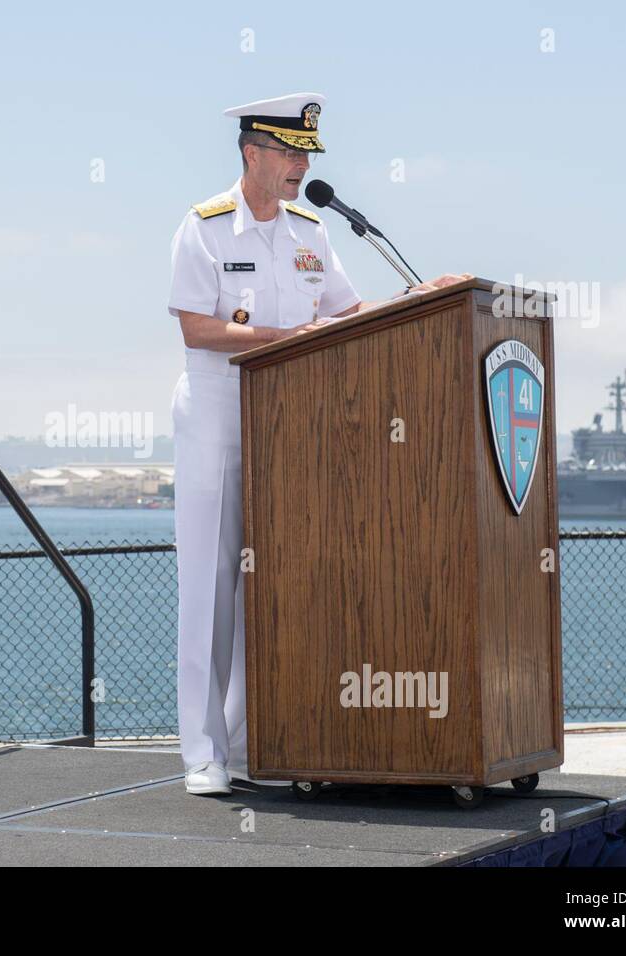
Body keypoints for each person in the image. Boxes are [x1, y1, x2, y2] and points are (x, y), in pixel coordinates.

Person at [168, 93, 470, 795]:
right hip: (218, 412)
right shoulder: (205, 228)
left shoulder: (311, 230)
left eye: (306, 155)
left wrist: (423, 295)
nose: (301, 166)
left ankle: (250, 743)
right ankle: (202, 755)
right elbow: (194, 328)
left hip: (294, 421)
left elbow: (346, 312)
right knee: (210, 586)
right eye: (289, 153)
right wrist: (285, 340)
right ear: (252, 154)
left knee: (277, 583)